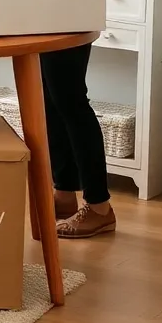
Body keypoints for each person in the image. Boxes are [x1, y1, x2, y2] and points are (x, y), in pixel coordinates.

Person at [42, 45, 118, 237]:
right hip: (47, 17)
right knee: (51, 100)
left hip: (69, 17)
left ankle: (99, 206)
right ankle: (64, 194)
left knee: (70, 98)